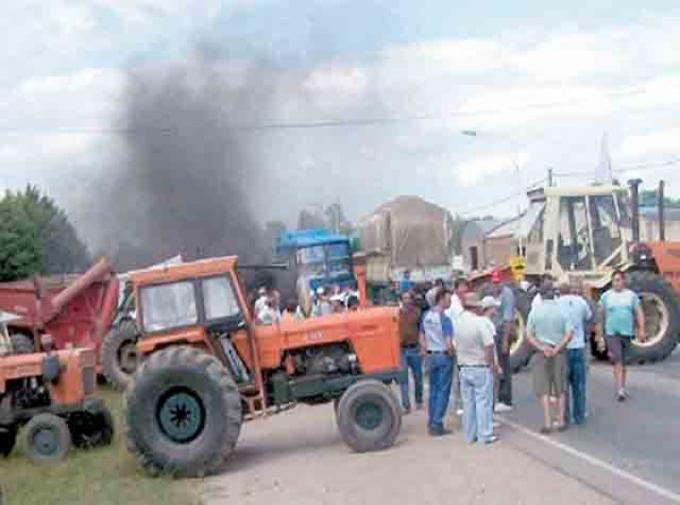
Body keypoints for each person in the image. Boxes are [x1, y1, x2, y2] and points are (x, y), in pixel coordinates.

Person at [526, 281, 573, 433]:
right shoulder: (562, 311)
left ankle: (547, 422)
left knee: (544, 389)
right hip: (558, 351)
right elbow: (569, 334)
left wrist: (541, 347)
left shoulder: (535, 311)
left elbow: (529, 335)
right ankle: (560, 420)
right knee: (560, 387)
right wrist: (557, 348)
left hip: (541, 352)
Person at [455, 292, 498, 444]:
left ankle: (469, 434)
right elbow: (489, 346)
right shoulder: (480, 323)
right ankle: (484, 434)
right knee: (483, 402)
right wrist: (492, 365)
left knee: (468, 403)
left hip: (464, 366)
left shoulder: (458, 322)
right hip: (480, 365)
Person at [596, 270, 646, 402]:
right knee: (617, 359)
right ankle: (619, 389)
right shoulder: (606, 296)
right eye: (614, 280)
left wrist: (641, 329)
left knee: (623, 362)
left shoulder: (631, 296)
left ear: (623, 281)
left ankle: (622, 385)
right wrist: (599, 335)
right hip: (612, 333)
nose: (616, 283)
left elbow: (639, 312)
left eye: (618, 280)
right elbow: (600, 315)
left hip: (626, 332)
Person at [419, 288, 455, 436]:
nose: (450, 301)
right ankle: (437, 423)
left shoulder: (426, 316)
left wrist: (425, 349)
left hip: (430, 354)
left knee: (433, 390)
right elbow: (448, 342)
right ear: (441, 299)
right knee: (443, 391)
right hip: (443, 354)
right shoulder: (444, 319)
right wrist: (452, 354)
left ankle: (431, 420)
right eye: (448, 299)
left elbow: (421, 336)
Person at [557, 281, 592, 425]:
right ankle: (579, 414)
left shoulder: (556, 304)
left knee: (562, 385)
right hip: (578, 345)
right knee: (579, 384)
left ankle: (564, 415)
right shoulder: (580, 302)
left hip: (563, 347)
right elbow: (588, 317)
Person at [490, 268, 515, 412]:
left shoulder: (507, 295)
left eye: (497, 282)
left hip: (502, 333)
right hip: (493, 333)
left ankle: (506, 399)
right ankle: (498, 396)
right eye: (493, 283)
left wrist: (505, 340)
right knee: (496, 365)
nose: (495, 285)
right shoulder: (492, 294)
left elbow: (508, 320)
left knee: (503, 365)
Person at [446, 277, 469, 417]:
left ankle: (460, 403)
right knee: (458, 376)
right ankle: (458, 404)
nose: (465, 290)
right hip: (456, 343)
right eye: (462, 287)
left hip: (461, 342)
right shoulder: (454, 305)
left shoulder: (460, 302)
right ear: (456, 288)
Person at [398, 290, 423, 413]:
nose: (407, 300)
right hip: (401, 349)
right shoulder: (397, 314)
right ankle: (406, 405)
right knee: (403, 379)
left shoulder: (417, 313)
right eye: (404, 298)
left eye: (409, 298)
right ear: (401, 300)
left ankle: (419, 401)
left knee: (418, 377)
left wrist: (422, 346)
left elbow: (421, 331)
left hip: (414, 348)